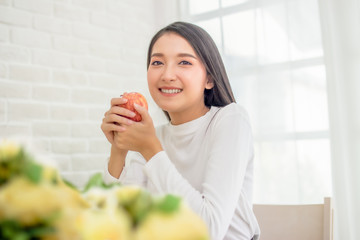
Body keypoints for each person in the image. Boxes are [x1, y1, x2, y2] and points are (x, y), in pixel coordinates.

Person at [101, 21, 260, 240]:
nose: (167, 75)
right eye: (157, 62)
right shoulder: (150, 137)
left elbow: (208, 231)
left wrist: (151, 150)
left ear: (209, 79)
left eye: (184, 62)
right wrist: (119, 149)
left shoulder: (231, 119)